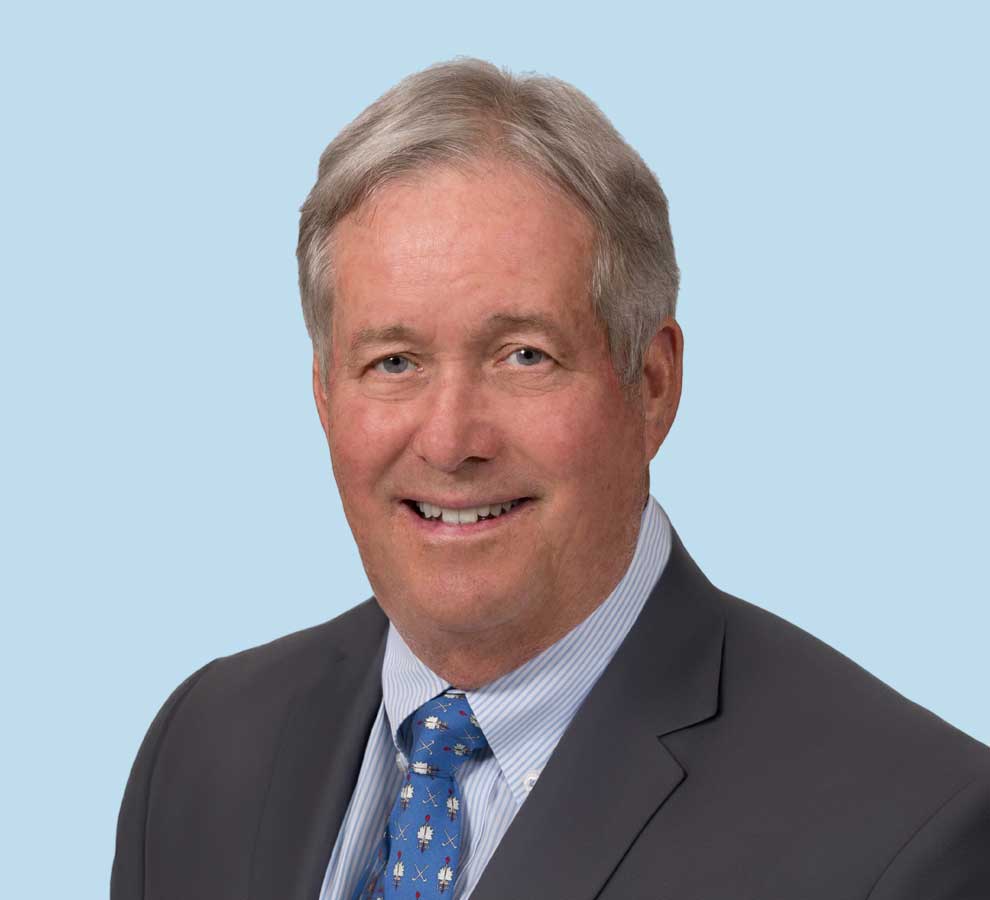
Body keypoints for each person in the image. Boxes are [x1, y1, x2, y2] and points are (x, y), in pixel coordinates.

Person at [111, 59, 990, 900]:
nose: (452, 440)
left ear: (652, 384)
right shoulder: (202, 748)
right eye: (393, 360)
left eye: (523, 354)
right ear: (322, 394)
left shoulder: (907, 834)